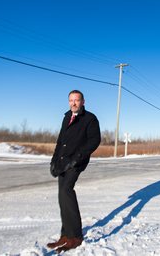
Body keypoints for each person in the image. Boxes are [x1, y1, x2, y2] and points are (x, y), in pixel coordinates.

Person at [48, 89, 101, 252]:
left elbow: (94, 140)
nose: (74, 103)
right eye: (71, 100)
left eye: (77, 100)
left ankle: (76, 236)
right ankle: (65, 234)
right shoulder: (66, 117)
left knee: (66, 190)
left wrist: (77, 157)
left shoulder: (90, 118)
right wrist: (54, 161)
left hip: (76, 163)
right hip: (62, 162)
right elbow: (60, 140)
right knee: (62, 195)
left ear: (83, 102)